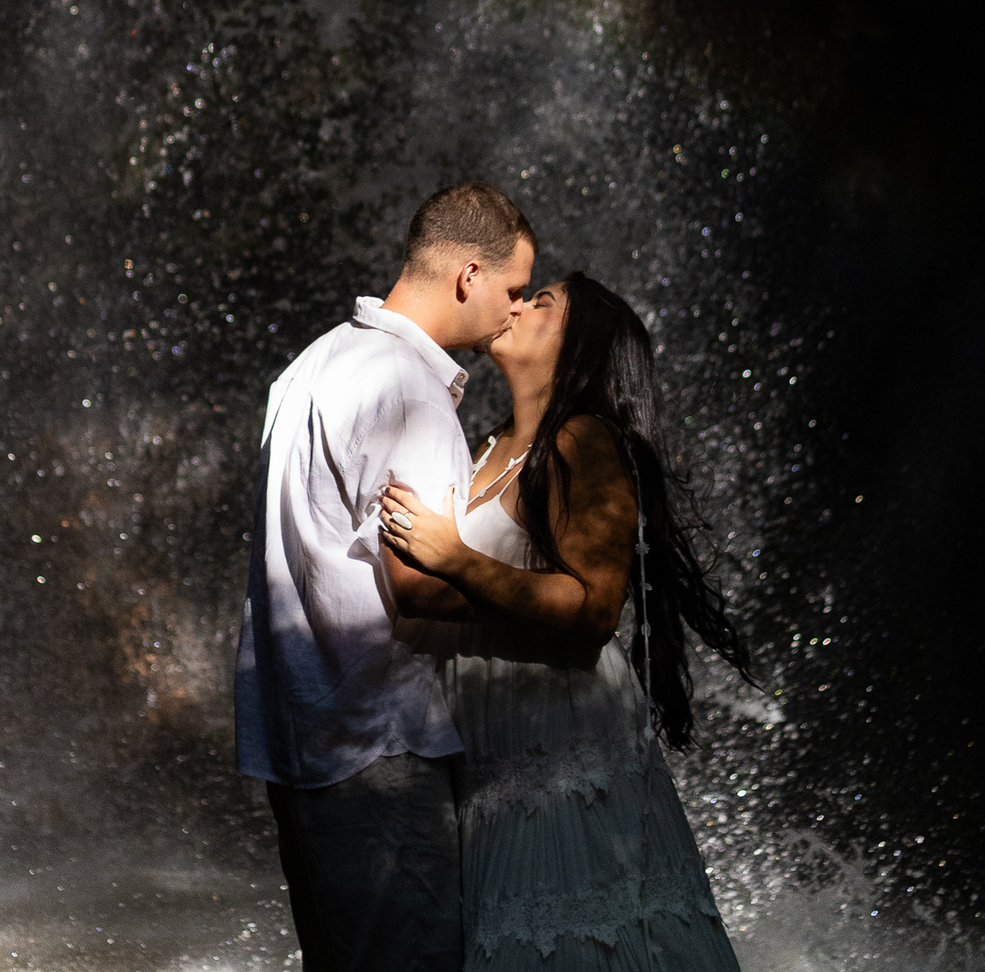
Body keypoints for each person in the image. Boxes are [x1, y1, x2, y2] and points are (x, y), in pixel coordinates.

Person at [380, 272, 751, 972]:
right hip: (493, 753)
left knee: (588, 939)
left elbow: (594, 608)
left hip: (562, 741)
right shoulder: (485, 447)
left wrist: (455, 559)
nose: (515, 304)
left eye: (540, 302)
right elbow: (468, 600)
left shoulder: (583, 441)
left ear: (579, 346)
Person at [234, 181, 537, 972]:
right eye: (510, 290)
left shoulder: (313, 363)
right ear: (468, 275)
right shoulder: (411, 390)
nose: (514, 311)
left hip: (301, 736)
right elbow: (419, 586)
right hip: (381, 742)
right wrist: (557, 617)